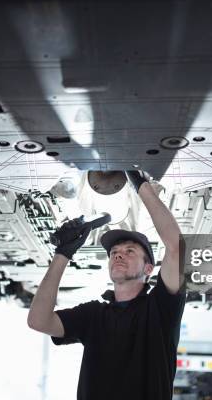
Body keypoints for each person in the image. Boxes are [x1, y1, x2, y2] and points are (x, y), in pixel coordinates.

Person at [27, 171, 186, 400]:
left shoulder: (161, 309)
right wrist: (63, 253)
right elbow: (39, 320)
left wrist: (141, 185)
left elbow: (177, 249)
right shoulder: (94, 315)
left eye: (129, 251)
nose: (119, 256)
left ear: (149, 269)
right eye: (114, 252)